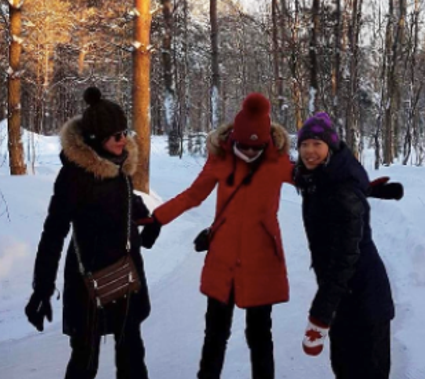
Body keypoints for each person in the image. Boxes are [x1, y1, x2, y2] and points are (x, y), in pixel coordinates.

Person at [143, 93, 292, 379]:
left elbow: (320, 178)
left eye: (255, 147)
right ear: (234, 137)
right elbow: (193, 195)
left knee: (260, 337)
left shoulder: (278, 162)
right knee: (215, 335)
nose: (249, 153)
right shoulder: (220, 159)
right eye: (244, 146)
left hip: (262, 262)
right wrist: (158, 219)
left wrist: (362, 186)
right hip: (223, 259)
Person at [29, 87, 156, 379]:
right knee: (85, 361)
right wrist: (42, 287)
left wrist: (147, 221)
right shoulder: (74, 177)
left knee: (133, 358)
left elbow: (126, 200)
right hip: (88, 284)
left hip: (125, 275)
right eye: (115, 135)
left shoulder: (120, 167)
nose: (123, 139)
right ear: (97, 140)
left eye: (124, 131)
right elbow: (53, 232)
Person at [293, 112, 401, 378]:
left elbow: (344, 260)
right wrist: (368, 188)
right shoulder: (319, 178)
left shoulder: (341, 192)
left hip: (364, 303)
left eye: (317, 144)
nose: (309, 151)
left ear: (330, 147)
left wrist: (319, 318)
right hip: (346, 301)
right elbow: (340, 182)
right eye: (304, 144)